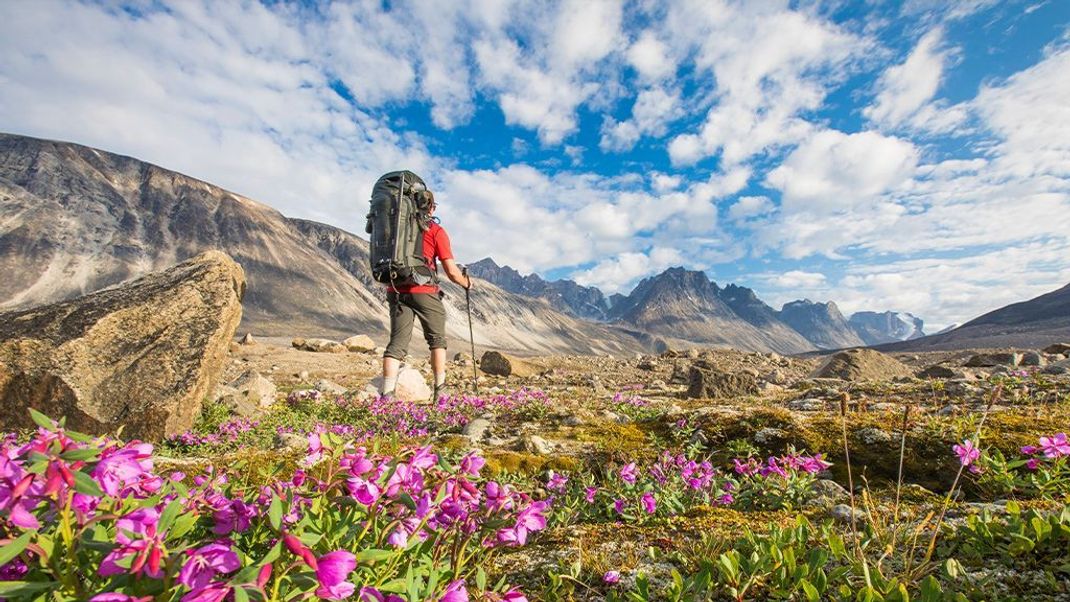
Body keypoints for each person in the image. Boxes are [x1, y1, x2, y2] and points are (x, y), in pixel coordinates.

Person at [380, 190, 471, 401]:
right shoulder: (436, 230)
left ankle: (386, 395)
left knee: (397, 343)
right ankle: (440, 392)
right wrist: (466, 283)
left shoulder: (396, 230)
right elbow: (451, 271)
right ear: (430, 207)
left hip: (395, 289)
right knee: (437, 340)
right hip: (425, 291)